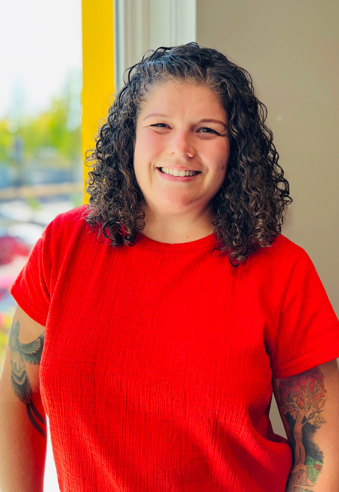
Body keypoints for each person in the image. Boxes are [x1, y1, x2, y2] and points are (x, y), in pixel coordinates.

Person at [1, 43, 339, 492]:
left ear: (234, 150)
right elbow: (18, 395)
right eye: (160, 125)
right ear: (130, 137)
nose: (181, 148)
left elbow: (322, 453)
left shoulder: (281, 268)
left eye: (207, 130)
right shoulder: (65, 244)